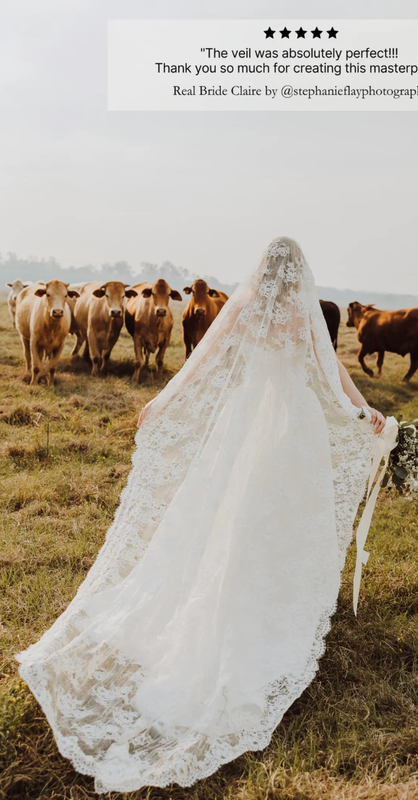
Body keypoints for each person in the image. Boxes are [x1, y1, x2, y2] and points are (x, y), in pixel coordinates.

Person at [16, 237, 387, 794]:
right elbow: (330, 371)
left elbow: (207, 362)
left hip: (253, 420)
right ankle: (256, 604)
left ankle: (249, 595)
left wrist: (162, 401)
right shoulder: (294, 311)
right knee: (264, 519)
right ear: (299, 273)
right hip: (294, 424)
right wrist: (365, 412)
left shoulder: (241, 305)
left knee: (244, 516)